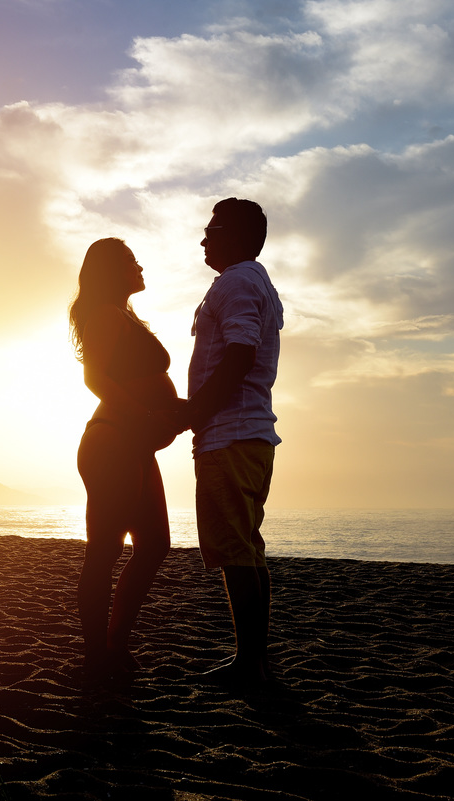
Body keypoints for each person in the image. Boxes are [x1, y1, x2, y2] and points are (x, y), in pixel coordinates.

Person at [174, 198, 284, 687]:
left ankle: (248, 664)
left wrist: (194, 413)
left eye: (212, 230)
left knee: (237, 550)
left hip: (231, 434)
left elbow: (240, 352)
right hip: (252, 434)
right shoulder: (258, 282)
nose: (204, 239)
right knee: (249, 547)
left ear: (236, 237)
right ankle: (255, 659)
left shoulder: (236, 282)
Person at [69, 237, 182, 680]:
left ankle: (115, 645)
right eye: (130, 260)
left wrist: (186, 410)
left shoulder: (123, 316)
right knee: (105, 550)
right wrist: (146, 415)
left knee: (154, 546)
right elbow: (94, 378)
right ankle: (99, 654)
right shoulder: (103, 314)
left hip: (133, 444)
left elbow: (144, 385)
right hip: (112, 440)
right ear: (111, 271)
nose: (140, 266)